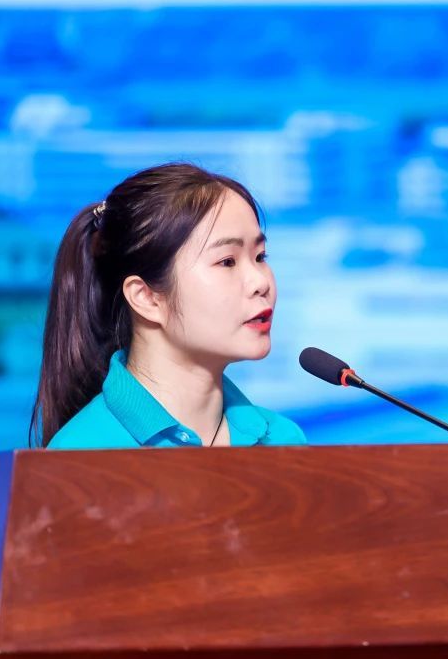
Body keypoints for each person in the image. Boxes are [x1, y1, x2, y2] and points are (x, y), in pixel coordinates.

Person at [30, 162, 306, 449]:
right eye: (227, 261)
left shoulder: (284, 439)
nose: (260, 282)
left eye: (260, 257)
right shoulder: (81, 451)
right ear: (145, 297)